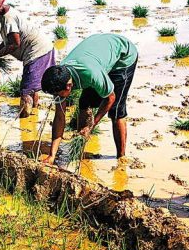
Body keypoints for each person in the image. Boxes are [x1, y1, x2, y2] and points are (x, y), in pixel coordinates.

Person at [40, 34, 138, 163]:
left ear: (69, 86)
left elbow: (110, 98)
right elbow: (59, 117)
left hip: (123, 56)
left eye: (59, 94)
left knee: (116, 110)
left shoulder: (90, 74)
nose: (57, 97)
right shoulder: (59, 79)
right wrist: (52, 155)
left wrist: (92, 124)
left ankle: (121, 157)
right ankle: (80, 147)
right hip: (97, 54)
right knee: (85, 102)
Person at [0, 0, 55, 118]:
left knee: (26, 90)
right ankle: (33, 117)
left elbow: (14, 44)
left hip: (37, 52)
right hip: (44, 49)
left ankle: (25, 118)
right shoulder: (5, 14)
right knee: (32, 86)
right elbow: (7, 41)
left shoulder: (8, 18)